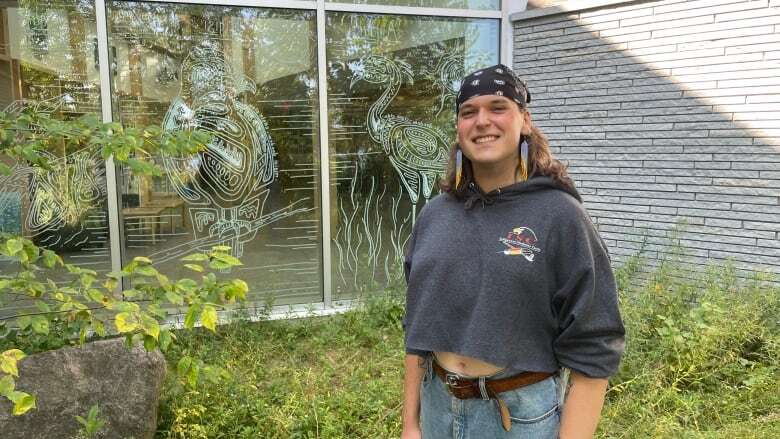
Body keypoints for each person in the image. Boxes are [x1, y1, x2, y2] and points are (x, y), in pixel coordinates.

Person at [401, 64, 625, 439]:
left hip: (519, 417)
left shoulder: (560, 215)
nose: (482, 121)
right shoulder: (435, 215)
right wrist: (411, 423)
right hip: (437, 406)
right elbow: (417, 327)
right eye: (468, 112)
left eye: (498, 107)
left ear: (524, 121)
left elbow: (595, 345)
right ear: (458, 127)